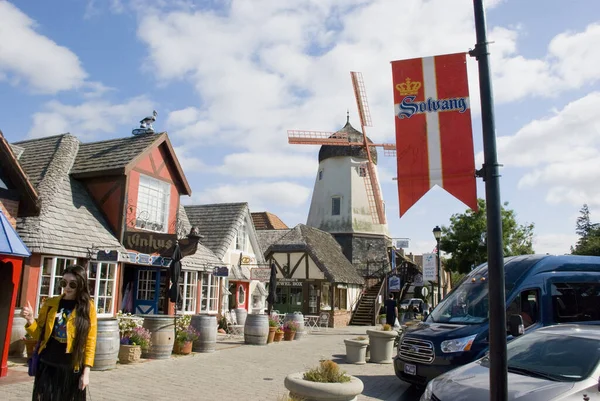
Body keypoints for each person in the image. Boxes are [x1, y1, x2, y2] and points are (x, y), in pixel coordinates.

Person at [21, 265, 98, 401]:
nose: (67, 287)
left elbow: (90, 341)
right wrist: (31, 320)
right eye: (63, 283)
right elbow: (40, 335)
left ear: (80, 285)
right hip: (48, 364)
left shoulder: (87, 307)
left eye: (72, 284)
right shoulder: (51, 304)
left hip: (71, 368)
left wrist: (86, 372)